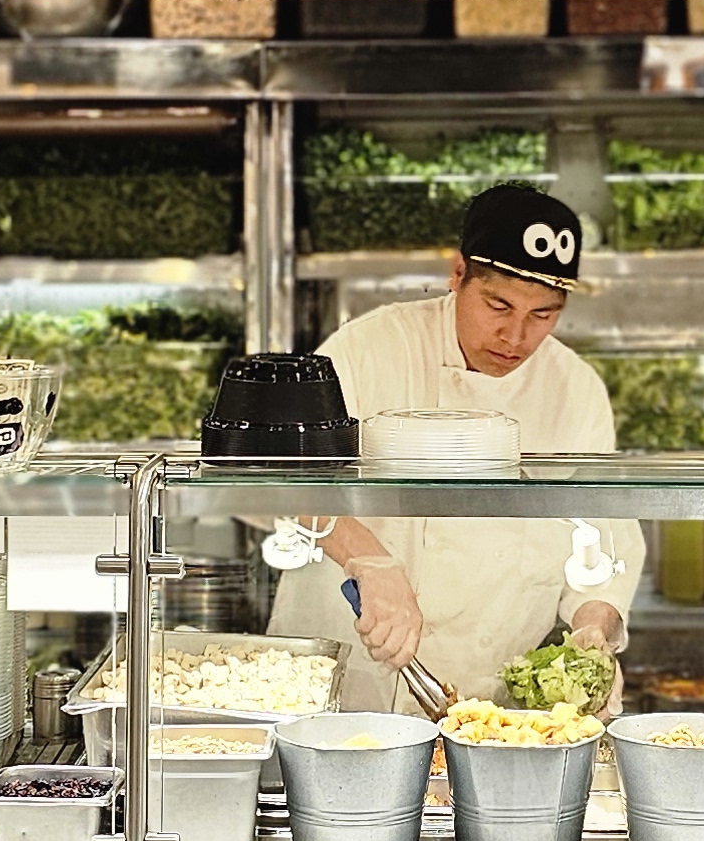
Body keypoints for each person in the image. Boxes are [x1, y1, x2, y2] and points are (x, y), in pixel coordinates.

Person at [265, 183, 646, 717]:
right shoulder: (371, 347)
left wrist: (594, 625)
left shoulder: (575, 389)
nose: (515, 335)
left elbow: (603, 536)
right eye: (498, 305)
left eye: (543, 314)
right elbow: (277, 474)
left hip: (487, 702)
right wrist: (366, 558)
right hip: (343, 683)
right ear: (458, 273)